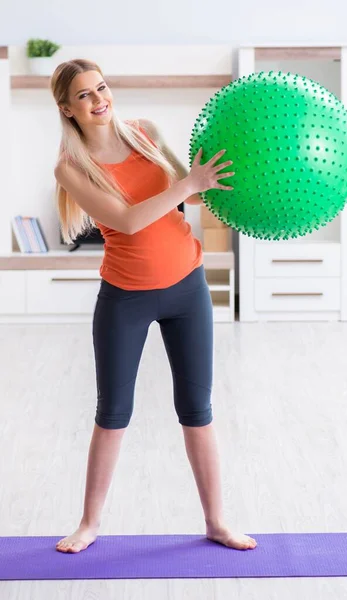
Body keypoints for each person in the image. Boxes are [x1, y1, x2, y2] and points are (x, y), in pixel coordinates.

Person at [51, 58, 257, 554]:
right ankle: (89, 524)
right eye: (85, 95)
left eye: (101, 88)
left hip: (187, 287)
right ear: (67, 107)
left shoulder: (145, 133)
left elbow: (199, 193)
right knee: (113, 412)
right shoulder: (71, 167)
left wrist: (239, 173)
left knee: (197, 409)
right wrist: (189, 185)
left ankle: (216, 521)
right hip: (125, 298)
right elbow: (126, 220)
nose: (100, 100)